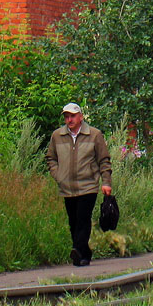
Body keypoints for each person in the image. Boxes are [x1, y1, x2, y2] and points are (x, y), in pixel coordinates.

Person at [45, 102, 112, 266]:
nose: (69, 120)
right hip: (67, 186)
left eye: (72, 116)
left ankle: (77, 249)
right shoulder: (57, 136)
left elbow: (104, 160)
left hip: (88, 185)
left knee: (83, 218)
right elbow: (50, 158)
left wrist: (106, 182)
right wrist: (58, 175)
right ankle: (84, 254)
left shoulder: (94, 135)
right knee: (73, 221)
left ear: (80, 116)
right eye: (67, 117)